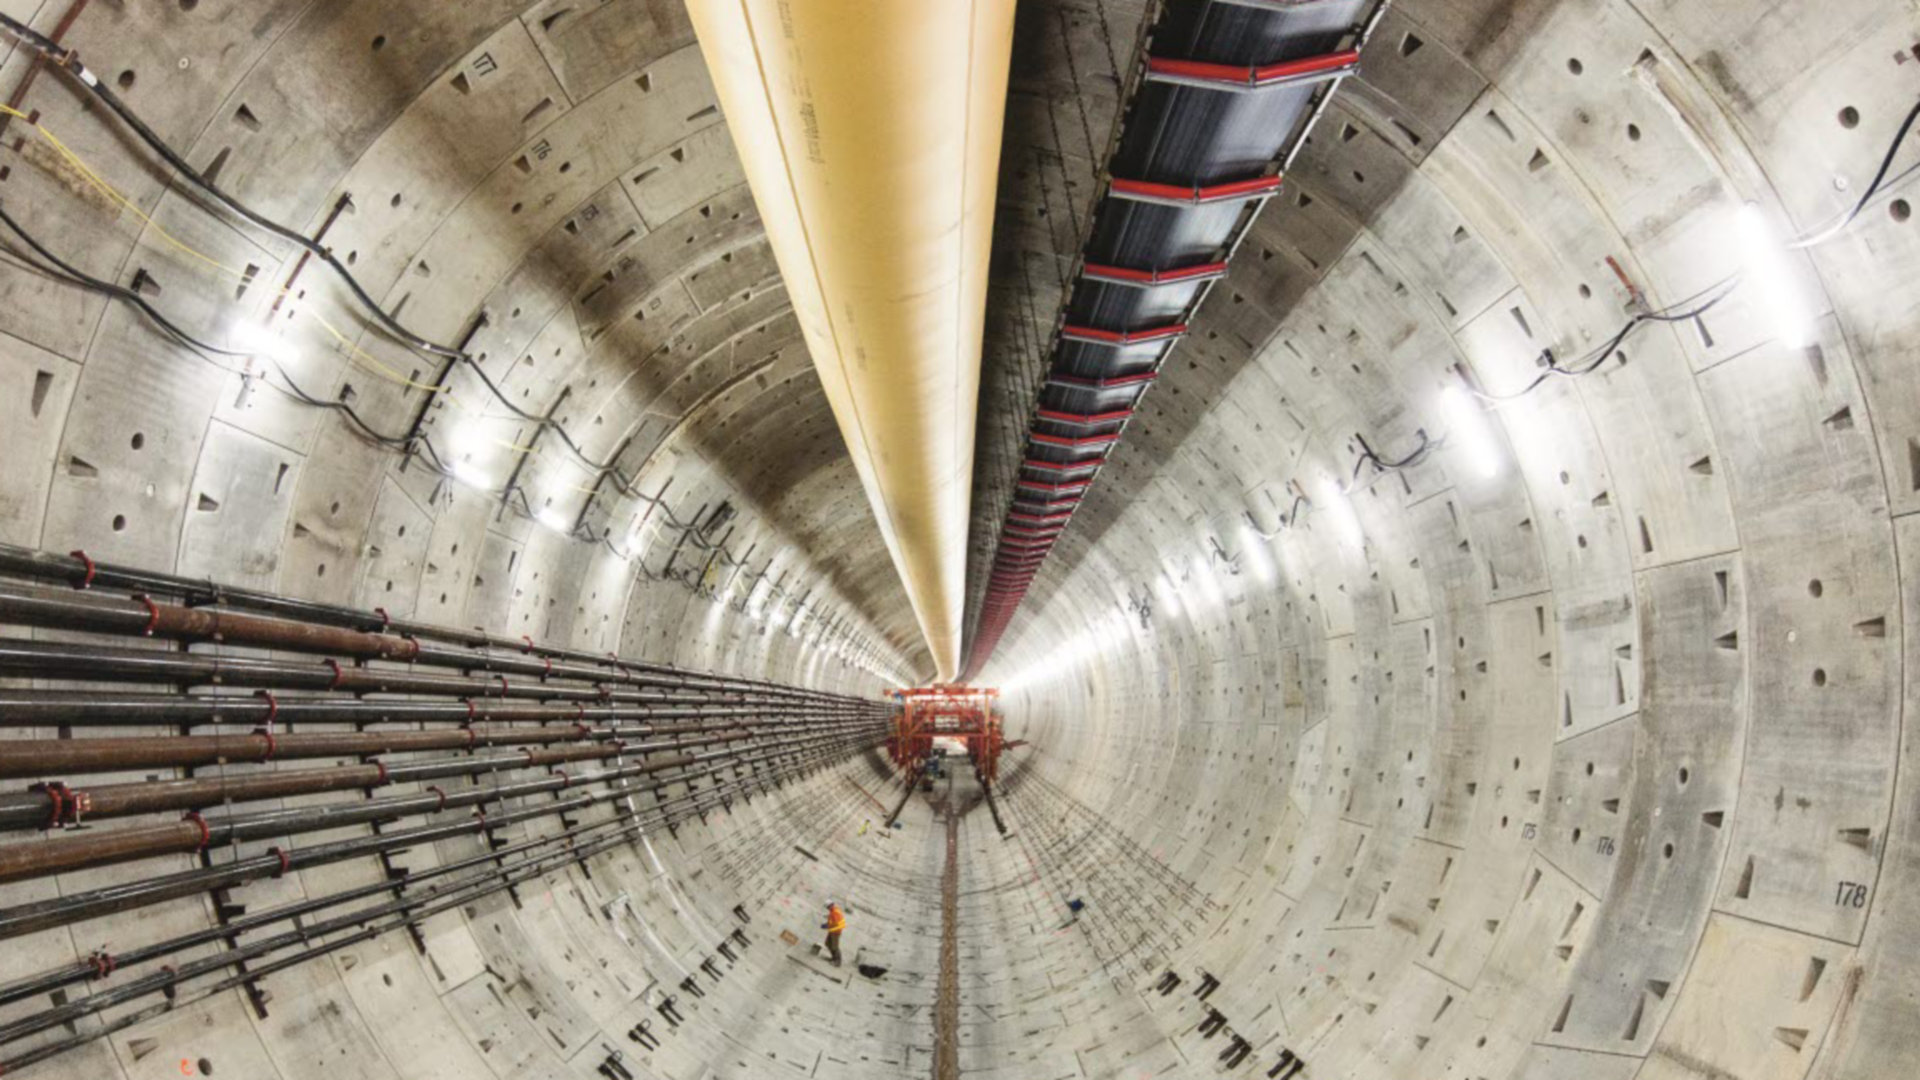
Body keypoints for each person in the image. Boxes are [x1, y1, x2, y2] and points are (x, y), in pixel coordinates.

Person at [821, 902, 846, 966]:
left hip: (836, 932)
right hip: (832, 931)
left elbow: (836, 923)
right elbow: (833, 920)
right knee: (828, 944)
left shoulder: (835, 912)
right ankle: (833, 958)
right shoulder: (834, 911)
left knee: (834, 946)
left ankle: (837, 962)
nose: (828, 908)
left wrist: (827, 925)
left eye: (828, 907)